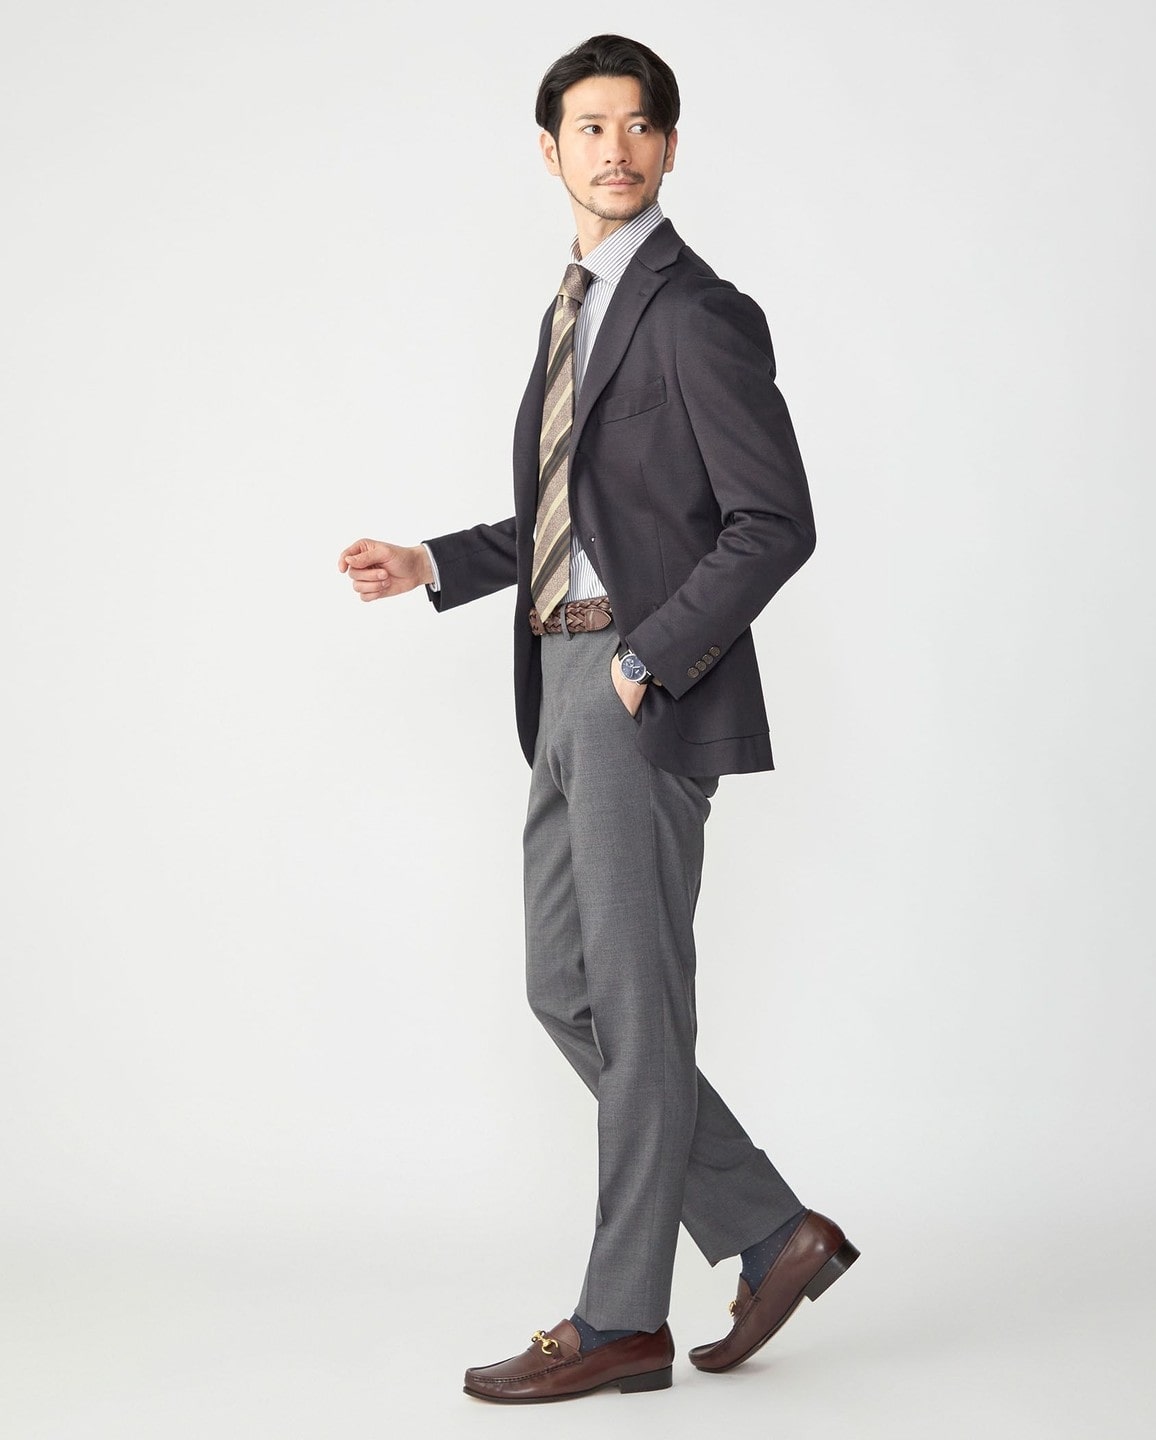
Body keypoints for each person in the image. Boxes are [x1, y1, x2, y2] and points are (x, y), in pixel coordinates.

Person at [338, 34, 858, 1404]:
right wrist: (436, 561)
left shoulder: (696, 312)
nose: (614, 149)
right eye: (589, 126)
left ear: (669, 145)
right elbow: (579, 515)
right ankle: (769, 1230)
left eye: (638, 125)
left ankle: (622, 1317)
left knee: (631, 1002)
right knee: (563, 989)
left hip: (639, 684)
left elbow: (772, 521)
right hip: (559, 675)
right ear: (550, 150)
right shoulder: (572, 307)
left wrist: (647, 660)